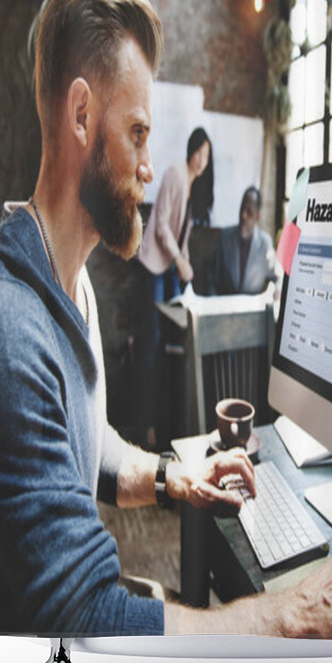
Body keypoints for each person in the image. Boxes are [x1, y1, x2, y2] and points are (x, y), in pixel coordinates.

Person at [0, 0, 332, 638]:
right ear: (82, 115)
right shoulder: (2, 326)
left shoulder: (65, 280)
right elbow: (88, 617)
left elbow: (90, 450)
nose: (149, 167)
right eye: (138, 134)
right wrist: (287, 615)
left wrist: (176, 476)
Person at [136, 127, 213, 448]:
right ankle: (146, 425)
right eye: (199, 151)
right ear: (190, 150)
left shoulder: (193, 187)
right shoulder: (174, 174)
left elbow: (182, 238)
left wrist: (186, 264)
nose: (202, 159)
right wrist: (180, 263)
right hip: (154, 265)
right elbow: (162, 226)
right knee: (151, 343)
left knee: (172, 343)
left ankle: (166, 423)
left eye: (207, 156)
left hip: (169, 266)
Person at [209, 186, 278, 296]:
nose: (243, 216)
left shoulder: (265, 242)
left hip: (252, 308)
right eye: (242, 209)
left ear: (258, 216)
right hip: (226, 304)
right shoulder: (225, 237)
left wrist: (275, 290)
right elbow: (212, 279)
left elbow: (275, 277)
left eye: (249, 212)